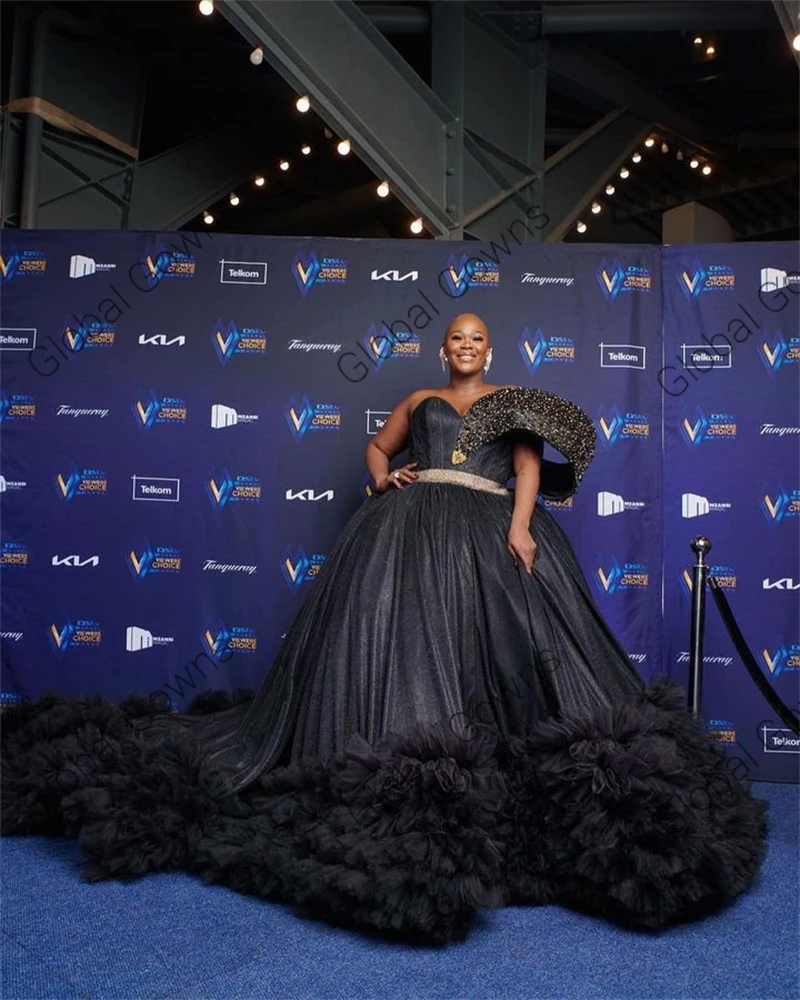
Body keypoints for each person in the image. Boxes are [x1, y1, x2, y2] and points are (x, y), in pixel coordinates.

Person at [1, 313, 767, 944]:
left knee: (504, 648)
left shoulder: (512, 403)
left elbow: (529, 468)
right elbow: (376, 447)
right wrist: (382, 476)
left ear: (489, 349)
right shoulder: (420, 397)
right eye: (456, 340)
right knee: (395, 637)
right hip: (404, 526)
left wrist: (523, 528)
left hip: (490, 527)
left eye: (476, 340)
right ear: (445, 349)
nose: (466, 349)